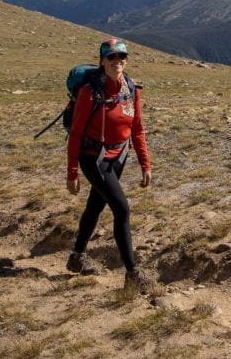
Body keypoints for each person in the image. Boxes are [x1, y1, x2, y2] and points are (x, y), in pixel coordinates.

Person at [65, 37, 152, 291]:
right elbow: (77, 133)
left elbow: (137, 129)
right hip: (94, 157)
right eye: (111, 57)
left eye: (122, 57)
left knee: (95, 205)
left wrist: (145, 163)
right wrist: (72, 172)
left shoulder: (131, 88)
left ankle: (77, 256)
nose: (118, 61)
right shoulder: (90, 92)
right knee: (122, 209)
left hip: (120, 155)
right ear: (102, 61)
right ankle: (132, 273)